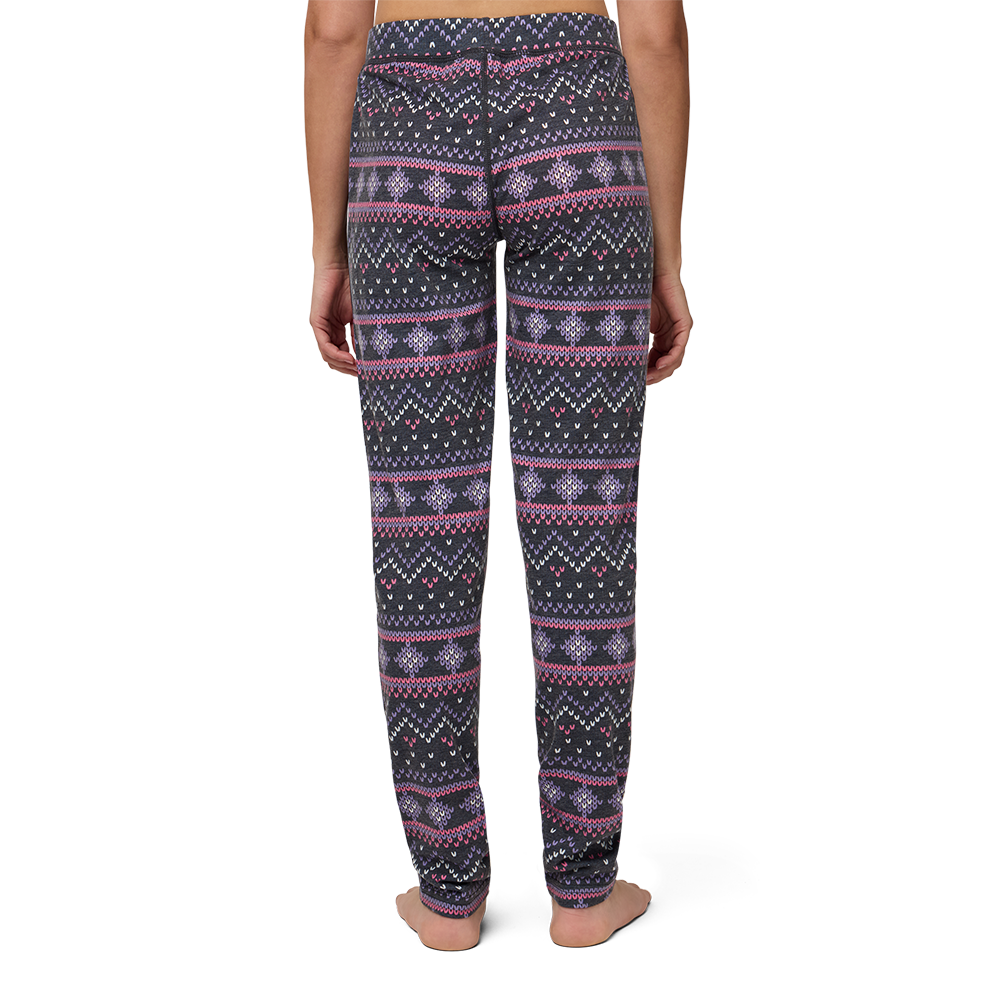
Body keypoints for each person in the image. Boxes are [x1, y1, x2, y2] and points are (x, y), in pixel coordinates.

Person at [304, 0, 692, 949]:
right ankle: (584, 892)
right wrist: (667, 258)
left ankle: (447, 897)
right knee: (587, 525)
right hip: (576, 135)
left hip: (408, 150)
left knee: (419, 529)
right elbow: (656, 34)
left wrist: (327, 250)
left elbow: (333, 31)